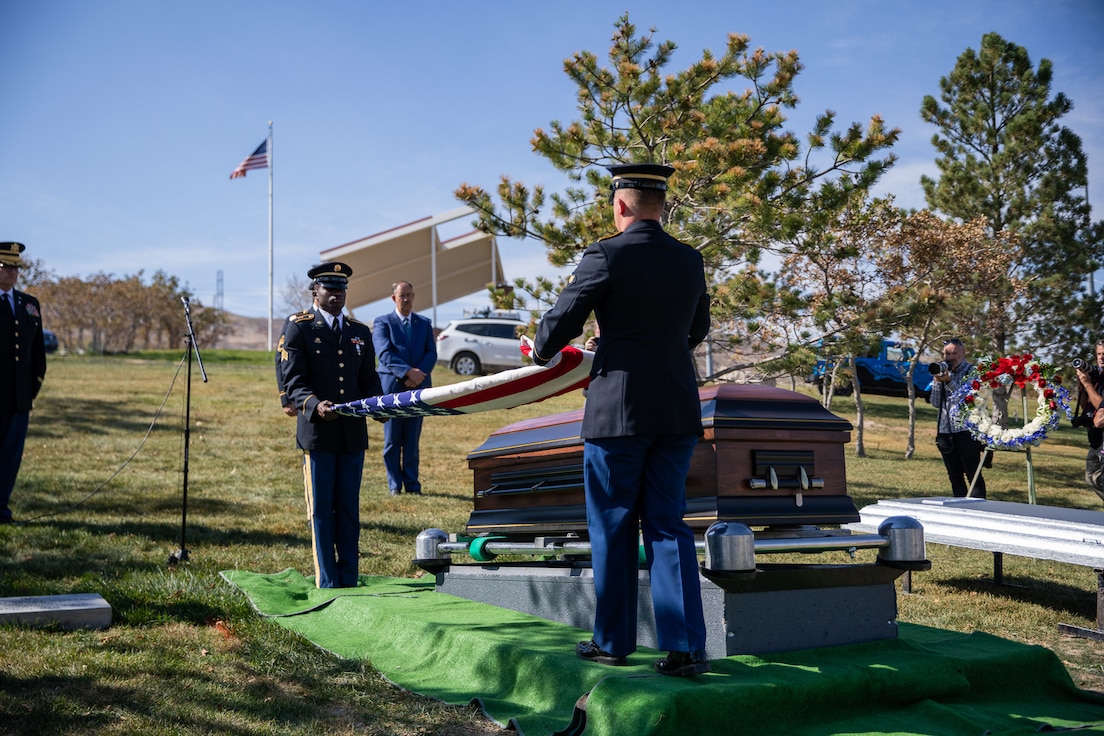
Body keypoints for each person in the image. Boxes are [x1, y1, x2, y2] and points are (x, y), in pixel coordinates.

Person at [531, 163, 712, 677]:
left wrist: (559, 346)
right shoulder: (690, 259)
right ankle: (684, 646)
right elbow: (696, 327)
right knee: (667, 525)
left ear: (620, 205)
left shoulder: (605, 253)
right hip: (677, 406)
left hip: (618, 412)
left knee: (612, 523)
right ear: (661, 206)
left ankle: (612, 642)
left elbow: (557, 328)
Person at [279, 262, 382, 588]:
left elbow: (368, 379)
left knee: (349, 510)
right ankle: (327, 580)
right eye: (329, 289)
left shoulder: (359, 332)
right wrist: (312, 403)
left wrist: (382, 406)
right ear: (315, 291)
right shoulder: (299, 327)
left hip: (352, 434)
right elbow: (293, 379)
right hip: (318, 434)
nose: (336, 295)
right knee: (322, 511)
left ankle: (349, 576)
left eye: (341, 289)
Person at [372, 281, 436, 496]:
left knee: (411, 439)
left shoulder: (424, 323)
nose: (406, 299)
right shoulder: (383, 322)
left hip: (418, 390)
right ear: (394, 298)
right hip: (392, 387)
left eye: (409, 295)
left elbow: (431, 353)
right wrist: (409, 372)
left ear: (413, 296)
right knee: (392, 440)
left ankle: (412, 485)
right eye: (402, 296)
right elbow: (384, 353)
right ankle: (394, 485)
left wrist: (418, 377)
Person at [0, 242, 47, 524]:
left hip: (18, 397)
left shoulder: (29, 304)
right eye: (7, 267)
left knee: (9, 457)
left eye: (16, 267)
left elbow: (37, 352)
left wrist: (32, 387)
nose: (13, 272)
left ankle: (1, 509)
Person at [929, 338, 987, 498]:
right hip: (945, 431)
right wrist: (937, 382)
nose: (951, 357)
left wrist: (949, 381)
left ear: (963, 352)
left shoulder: (972, 371)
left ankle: (980, 510)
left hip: (966, 431)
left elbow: (968, 399)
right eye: (948, 353)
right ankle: (959, 509)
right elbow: (935, 402)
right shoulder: (941, 370)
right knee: (954, 476)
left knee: (973, 475)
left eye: (955, 353)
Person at [1074, 339, 1104, 503]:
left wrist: (1087, 385)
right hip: (1095, 438)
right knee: (1091, 477)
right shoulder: (1097, 376)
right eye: (1099, 354)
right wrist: (1083, 387)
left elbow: (1101, 407)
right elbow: (1089, 408)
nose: (1101, 357)